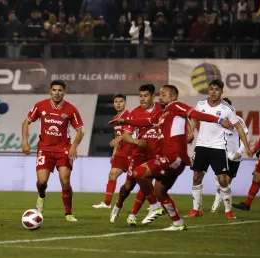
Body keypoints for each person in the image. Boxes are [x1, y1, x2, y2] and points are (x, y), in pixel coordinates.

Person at [111, 85, 234, 230]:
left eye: (164, 94)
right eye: (160, 94)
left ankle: (154, 206)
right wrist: (125, 122)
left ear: (173, 97)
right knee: (159, 191)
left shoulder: (176, 106)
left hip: (174, 157)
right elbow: (147, 121)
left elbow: (195, 114)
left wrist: (219, 120)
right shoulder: (163, 113)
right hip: (172, 159)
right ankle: (177, 223)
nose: (160, 96)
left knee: (138, 172)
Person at [187, 79, 252, 219]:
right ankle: (196, 209)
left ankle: (228, 210)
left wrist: (246, 147)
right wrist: (191, 132)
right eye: (211, 89)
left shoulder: (227, 108)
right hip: (202, 146)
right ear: (208, 90)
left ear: (221, 92)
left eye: (217, 89)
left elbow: (239, 127)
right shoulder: (201, 104)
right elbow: (193, 119)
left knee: (223, 180)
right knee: (196, 177)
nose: (213, 92)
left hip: (218, 147)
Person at [22, 80, 84, 222]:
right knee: (42, 181)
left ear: (64, 92)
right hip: (45, 149)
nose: (57, 93)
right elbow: (26, 122)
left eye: (60, 90)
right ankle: (41, 197)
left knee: (65, 181)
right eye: (54, 90)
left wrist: (74, 146)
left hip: (63, 150)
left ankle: (68, 213)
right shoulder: (40, 106)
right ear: (50, 91)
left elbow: (80, 131)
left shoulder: (71, 109)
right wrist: (25, 142)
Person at [109, 84, 165, 227]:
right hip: (137, 154)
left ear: (153, 96)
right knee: (128, 185)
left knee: (145, 181)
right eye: (140, 96)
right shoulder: (134, 113)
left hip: (154, 154)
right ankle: (118, 204)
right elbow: (125, 135)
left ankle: (134, 214)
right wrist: (136, 141)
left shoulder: (161, 108)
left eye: (145, 96)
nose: (142, 99)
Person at [93, 94, 134, 209]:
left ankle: (154, 202)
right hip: (121, 152)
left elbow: (128, 133)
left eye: (121, 101)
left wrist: (118, 140)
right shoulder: (115, 119)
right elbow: (118, 136)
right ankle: (107, 203)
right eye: (116, 101)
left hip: (132, 151)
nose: (118, 104)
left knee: (139, 179)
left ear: (125, 103)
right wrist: (114, 153)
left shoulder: (129, 116)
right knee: (112, 174)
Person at [210, 97, 249, 212]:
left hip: (234, 156)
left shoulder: (237, 120)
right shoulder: (216, 120)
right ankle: (217, 201)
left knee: (227, 182)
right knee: (219, 178)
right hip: (220, 153)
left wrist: (240, 151)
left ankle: (222, 200)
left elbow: (245, 135)